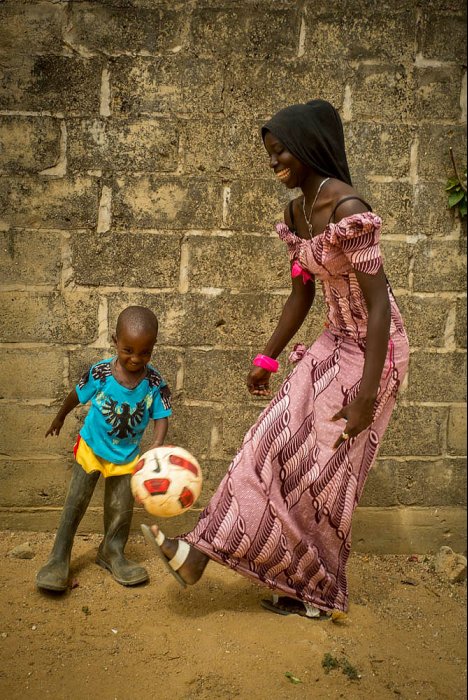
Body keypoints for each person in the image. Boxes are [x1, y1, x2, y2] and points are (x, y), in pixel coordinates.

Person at [141, 99, 409, 619]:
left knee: (324, 475)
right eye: (270, 153)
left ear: (308, 147)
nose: (273, 162)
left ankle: (314, 589)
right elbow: (301, 295)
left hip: (376, 352)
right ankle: (201, 553)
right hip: (335, 339)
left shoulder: (349, 211)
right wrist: (266, 358)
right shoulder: (296, 214)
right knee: (266, 443)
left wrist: (366, 397)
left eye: (281, 151)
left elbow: (379, 308)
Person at [36, 305, 172, 592]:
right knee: (76, 502)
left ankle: (112, 552)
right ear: (115, 341)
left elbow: (162, 416)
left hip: (126, 456)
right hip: (92, 447)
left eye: (144, 352)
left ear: (153, 347)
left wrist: (157, 445)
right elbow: (77, 394)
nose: (135, 359)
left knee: (121, 508)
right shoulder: (101, 373)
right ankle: (58, 557)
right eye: (127, 350)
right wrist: (60, 416)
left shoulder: (155, 383)